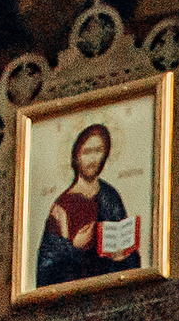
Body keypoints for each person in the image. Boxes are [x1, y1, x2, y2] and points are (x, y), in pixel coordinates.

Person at [34, 122, 137, 287]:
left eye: (99, 151)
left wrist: (123, 256)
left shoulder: (110, 196)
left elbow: (131, 262)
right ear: (77, 156)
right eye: (87, 152)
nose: (94, 159)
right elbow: (47, 271)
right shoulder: (62, 206)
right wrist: (75, 247)